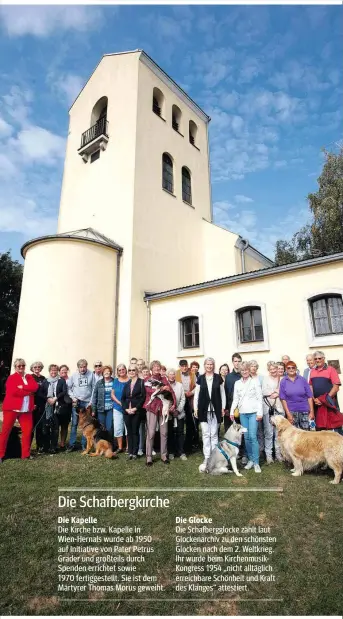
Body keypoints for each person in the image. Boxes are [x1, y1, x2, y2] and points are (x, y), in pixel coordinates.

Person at [0, 358, 38, 463]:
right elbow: (13, 392)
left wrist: (23, 387)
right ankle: (1, 454)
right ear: (15, 367)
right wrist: (28, 392)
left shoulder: (29, 376)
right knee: (5, 432)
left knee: (27, 431)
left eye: (23, 365)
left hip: (26, 410)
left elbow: (34, 387)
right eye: (19, 366)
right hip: (12, 409)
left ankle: (25, 454)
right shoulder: (11, 378)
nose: (21, 367)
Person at [230, 361, 263, 473]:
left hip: (253, 412)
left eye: (246, 370)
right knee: (247, 437)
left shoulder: (255, 381)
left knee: (253, 437)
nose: (244, 372)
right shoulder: (237, 383)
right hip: (243, 413)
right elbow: (235, 398)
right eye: (242, 370)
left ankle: (256, 462)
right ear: (240, 371)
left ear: (249, 371)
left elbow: (259, 398)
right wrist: (231, 411)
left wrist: (260, 413)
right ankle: (250, 460)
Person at [194, 358, 225, 473]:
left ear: (214, 365)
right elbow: (196, 395)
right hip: (203, 410)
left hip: (216, 410)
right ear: (204, 365)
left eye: (211, 364)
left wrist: (223, 407)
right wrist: (195, 408)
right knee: (206, 434)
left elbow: (223, 394)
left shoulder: (218, 378)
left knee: (214, 434)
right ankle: (207, 457)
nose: (209, 366)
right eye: (207, 364)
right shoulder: (200, 378)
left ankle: (215, 458)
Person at [144, 360, 176, 466]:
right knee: (151, 432)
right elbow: (150, 391)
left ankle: (163, 455)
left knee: (164, 432)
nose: (157, 369)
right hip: (152, 408)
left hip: (163, 409)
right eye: (155, 367)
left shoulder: (164, 379)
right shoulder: (148, 380)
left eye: (158, 367)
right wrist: (163, 388)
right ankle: (149, 457)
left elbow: (171, 391)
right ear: (151, 369)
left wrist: (174, 404)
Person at [309, 351, 342, 434]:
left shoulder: (331, 370)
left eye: (319, 358)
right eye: (315, 359)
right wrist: (314, 399)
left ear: (324, 359)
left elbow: (336, 387)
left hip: (329, 404)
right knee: (321, 431)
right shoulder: (312, 371)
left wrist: (324, 399)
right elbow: (310, 386)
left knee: (334, 430)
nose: (317, 360)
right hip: (317, 405)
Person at [67, 359, 95, 452]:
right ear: (78, 367)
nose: (83, 369)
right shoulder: (74, 376)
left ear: (86, 366)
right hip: (77, 402)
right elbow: (68, 388)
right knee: (74, 424)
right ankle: (72, 444)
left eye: (84, 367)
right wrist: (73, 397)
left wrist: (91, 402)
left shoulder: (91, 374)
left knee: (86, 424)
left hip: (87, 403)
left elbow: (94, 388)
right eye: (81, 367)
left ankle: (84, 445)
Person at [39, 364, 68, 454]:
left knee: (55, 427)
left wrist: (55, 398)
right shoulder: (45, 381)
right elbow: (40, 392)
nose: (53, 372)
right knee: (47, 427)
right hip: (47, 406)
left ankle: (53, 447)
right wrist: (47, 399)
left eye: (55, 370)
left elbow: (64, 391)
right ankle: (46, 446)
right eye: (52, 370)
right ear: (49, 371)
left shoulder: (61, 380)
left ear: (57, 371)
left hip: (58, 406)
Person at [261, 361, 285, 463]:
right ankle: (269, 455)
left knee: (279, 433)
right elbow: (263, 391)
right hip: (268, 408)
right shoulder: (265, 379)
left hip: (280, 408)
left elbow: (285, 390)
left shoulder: (282, 379)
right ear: (268, 370)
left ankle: (278, 454)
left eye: (274, 369)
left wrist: (277, 392)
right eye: (271, 369)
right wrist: (275, 392)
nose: (273, 371)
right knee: (269, 432)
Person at [279, 361, 314, 429]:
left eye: (293, 367)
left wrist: (312, 412)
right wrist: (288, 414)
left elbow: (309, 397)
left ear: (296, 369)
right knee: (293, 436)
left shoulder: (302, 380)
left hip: (304, 411)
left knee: (306, 434)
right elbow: (283, 399)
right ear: (286, 369)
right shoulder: (283, 381)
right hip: (291, 411)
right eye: (289, 368)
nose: (291, 369)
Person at [121, 365, 146, 459]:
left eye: (133, 370)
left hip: (137, 411)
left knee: (135, 431)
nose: (131, 371)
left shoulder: (141, 382)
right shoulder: (127, 383)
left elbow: (143, 397)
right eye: (130, 370)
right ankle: (130, 452)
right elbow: (123, 398)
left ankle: (135, 452)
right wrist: (125, 409)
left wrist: (136, 408)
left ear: (136, 371)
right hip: (127, 411)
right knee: (129, 432)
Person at [175, 360, 197, 453]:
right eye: (182, 366)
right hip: (179, 400)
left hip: (189, 399)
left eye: (185, 366)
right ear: (179, 366)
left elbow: (197, 386)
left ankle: (188, 445)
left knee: (189, 423)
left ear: (188, 366)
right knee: (178, 422)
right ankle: (177, 445)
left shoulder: (192, 374)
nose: (184, 368)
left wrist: (191, 393)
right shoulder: (175, 374)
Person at [167, 368, 187, 461]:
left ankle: (181, 452)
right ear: (167, 375)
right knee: (170, 433)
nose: (172, 376)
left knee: (180, 433)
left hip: (179, 413)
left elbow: (183, 399)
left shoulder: (179, 385)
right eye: (170, 374)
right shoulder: (165, 385)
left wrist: (178, 410)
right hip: (168, 414)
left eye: (173, 374)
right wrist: (169, 410)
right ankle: (171, 452)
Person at [91, 365, 115, 434]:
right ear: (102, 373)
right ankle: (102, 444)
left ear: (111, 373)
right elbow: (94, 397)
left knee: (109, 427)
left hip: (111, 408)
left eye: (108, 371)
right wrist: (93, 409)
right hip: (101, 409)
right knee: (101, 427)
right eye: (105, 371)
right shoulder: (99, 383)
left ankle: (110, 443)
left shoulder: (115, 382)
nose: (107, 373)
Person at [112, 363, 129, 452]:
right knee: (118, 427)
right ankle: (120, 447)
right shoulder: (115, 381)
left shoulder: (130, 380)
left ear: (126, 370)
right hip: (117, 407)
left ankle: (128, 447)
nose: (121, 371)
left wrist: (126, 404)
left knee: (127, 427)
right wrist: (119, 403)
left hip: (128, 407)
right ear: (117, 372)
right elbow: (112, 394)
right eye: (119, 370)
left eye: (123, 369)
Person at [30, 361, 46, 453]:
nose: (37, 368)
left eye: (39, 367)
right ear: (32, 368)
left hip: (41, 405)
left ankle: (39, 446)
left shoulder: (43, 378)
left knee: (40, 427)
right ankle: (28, 447)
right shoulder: (30, 377)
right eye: (35, 367)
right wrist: (32, 404)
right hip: (33, 405)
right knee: (31, 427)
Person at [224, 353, 242, 432]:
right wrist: (227, 408)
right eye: (235, 361)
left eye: (239, 361)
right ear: (232, 362)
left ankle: (242, 445)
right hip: (231, 407)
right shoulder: (228, 376)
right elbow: (226, 392)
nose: (237, 363)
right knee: (231, 430)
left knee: (242, 430)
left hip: (242, 407)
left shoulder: (244, 375)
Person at [56, 365, 72, 450]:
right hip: (59, 404)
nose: (64, 372)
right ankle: (55, 443)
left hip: (67, 405)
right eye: (62, 371)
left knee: (65, 425)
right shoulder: (57, 381)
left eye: (65, 370)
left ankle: (62, 443)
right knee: (56, 425)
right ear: (59, 372)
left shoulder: (70, 380)